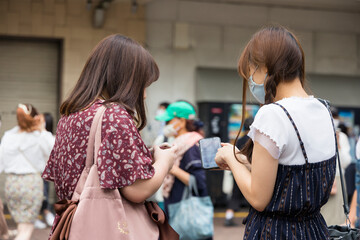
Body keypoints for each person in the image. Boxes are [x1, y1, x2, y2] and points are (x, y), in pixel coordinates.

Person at [42, 34, 177, 239]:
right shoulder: (114, 115)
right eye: (143, 84)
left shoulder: (69, 116)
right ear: (125, 79)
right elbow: (137, 190)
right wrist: (165, 162)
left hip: (73, 228)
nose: (145, 94)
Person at [215, 26, 337, 239]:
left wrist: (229, 158)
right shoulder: (323, 108)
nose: (251, 80)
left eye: (251, 71)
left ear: (263, 67)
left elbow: (258, 198)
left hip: (276, 232)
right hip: (315, 231)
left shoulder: (273, 114)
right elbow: (293, 171)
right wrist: (243, 160)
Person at [156, 101, 213, 240]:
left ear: (181, 121)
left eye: (169, 121)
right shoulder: (179, 144)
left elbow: (199, 182)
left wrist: (170, 167)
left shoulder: (191, 146)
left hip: (186, 211)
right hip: (176, 208)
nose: (166, 125)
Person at [0, 103, 54, 240]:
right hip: (31, 183)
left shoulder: (8, 136)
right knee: (25, 231)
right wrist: (43, 130)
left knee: (21, 227)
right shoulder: (39, 136)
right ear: (36, 118)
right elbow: (53, 152)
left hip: (11, 183)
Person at [224, 117, 253, 227]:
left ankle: (228, 217)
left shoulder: (239, 140)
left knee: (235, 195)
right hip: (251, 171)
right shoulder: (254, 140)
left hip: (238, 171)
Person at [34, 113, 55, 229]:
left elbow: (51, 150)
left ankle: (46, 213)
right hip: (33, 172)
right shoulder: (34, 134)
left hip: (42, 172)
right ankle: (39, 216)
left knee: (44, 194)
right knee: (37, 196)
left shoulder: (48, 137)